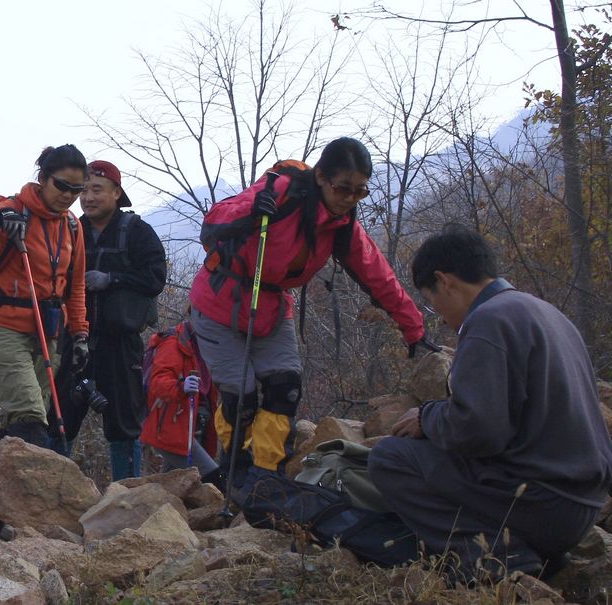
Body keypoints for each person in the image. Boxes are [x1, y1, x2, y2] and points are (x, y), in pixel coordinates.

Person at [369, 226, 612, 581]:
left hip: (541, 504)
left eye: (430, 298)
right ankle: (537, 555)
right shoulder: (545, 312)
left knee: (389, 459)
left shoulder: (488, 321)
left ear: (444, 280)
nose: (437, 312)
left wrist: (428, 417)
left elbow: (479, 431)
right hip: (581, 507)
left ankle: (498, 559)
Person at [189, 137, 426, 495]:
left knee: (285, 388)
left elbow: (378, 274)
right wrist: (252, 213)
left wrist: (414, 328)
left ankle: (266, 474)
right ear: (320, 178)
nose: (349, 199)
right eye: (343, 188)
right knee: (242, 396)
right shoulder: (281, 193)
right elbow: (215, 219)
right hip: (219, 304)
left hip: (271, 308)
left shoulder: (341, 226)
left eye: (359, 192)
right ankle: (235, 466)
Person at [0, 144, 89, 446]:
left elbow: (76, 285)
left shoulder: (72, 225)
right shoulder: (12, 210)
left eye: (76, 189)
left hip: (50, 330)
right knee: (30, 414)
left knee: (28, 415)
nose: (68, 195)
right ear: (43, 178)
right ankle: (31, 488)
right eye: (62, 185)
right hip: (5, 326)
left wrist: (80, 335)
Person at [58, 160, 167, 480]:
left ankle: (126, 495)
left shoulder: (136, 232)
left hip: (121, 343)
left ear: (116, 193)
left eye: (97, 190)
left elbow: (155, 277)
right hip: (74, 338)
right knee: (60, 416)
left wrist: (112, 279)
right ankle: (50, 490)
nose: (88, 198)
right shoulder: (71, 229)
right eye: (84, 190)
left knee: (124, 424)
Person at [138, 319, 223, 490]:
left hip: (193, 425)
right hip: (173, 428)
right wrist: (180, 386)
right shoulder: (173, 342)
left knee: (172, 488)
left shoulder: (208, 344)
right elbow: (158, 382)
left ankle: (155, 514)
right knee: (214, 479)